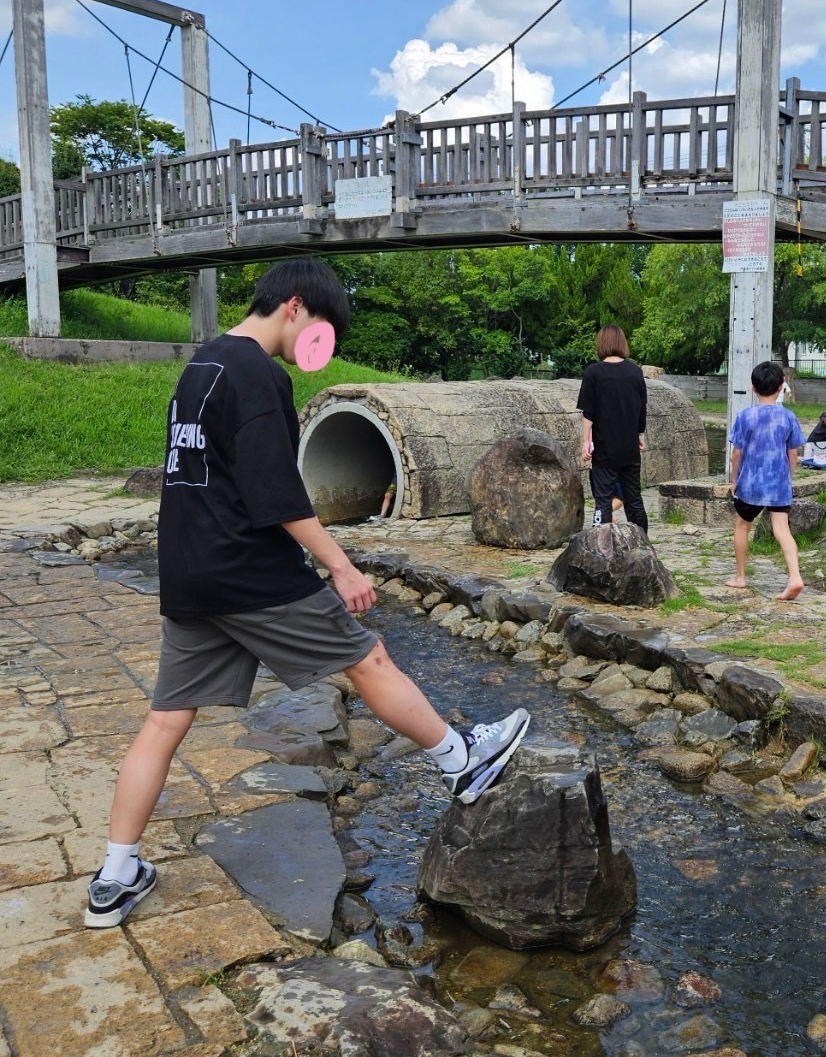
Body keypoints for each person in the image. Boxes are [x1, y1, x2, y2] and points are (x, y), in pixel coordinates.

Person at [85, 258, 530, 930]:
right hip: (250, 571)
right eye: (321, 329)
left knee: (166, 720)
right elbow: (276, 494)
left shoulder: (202, 365)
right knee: (367, 657)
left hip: (190, 570)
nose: (315, 348)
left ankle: (114, 876)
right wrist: (341, 567)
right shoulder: (261, 374)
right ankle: (460, 760)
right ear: (295, 307)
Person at [727, 361, 806, 602]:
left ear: (753, 388)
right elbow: (793, 453)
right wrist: (788, 478)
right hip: (778, 483)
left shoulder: (745, 416)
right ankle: (794, 576)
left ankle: (740, 577)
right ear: (781, 386)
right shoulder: (788, 417)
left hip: (750, 484)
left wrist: (734, 480)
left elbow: (736, 453)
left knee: (742, 525)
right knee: (782, 530)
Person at [578, 325, 648, 534]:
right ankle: (642, 541)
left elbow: (588, 413)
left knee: (603, 499)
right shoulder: (635, 372)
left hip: (604, 447)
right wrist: (639, 435)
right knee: (633, 498)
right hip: (629, 447)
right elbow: (641, 408)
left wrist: (585, 442)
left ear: (602, 343)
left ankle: (602, 544)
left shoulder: (593, 372)